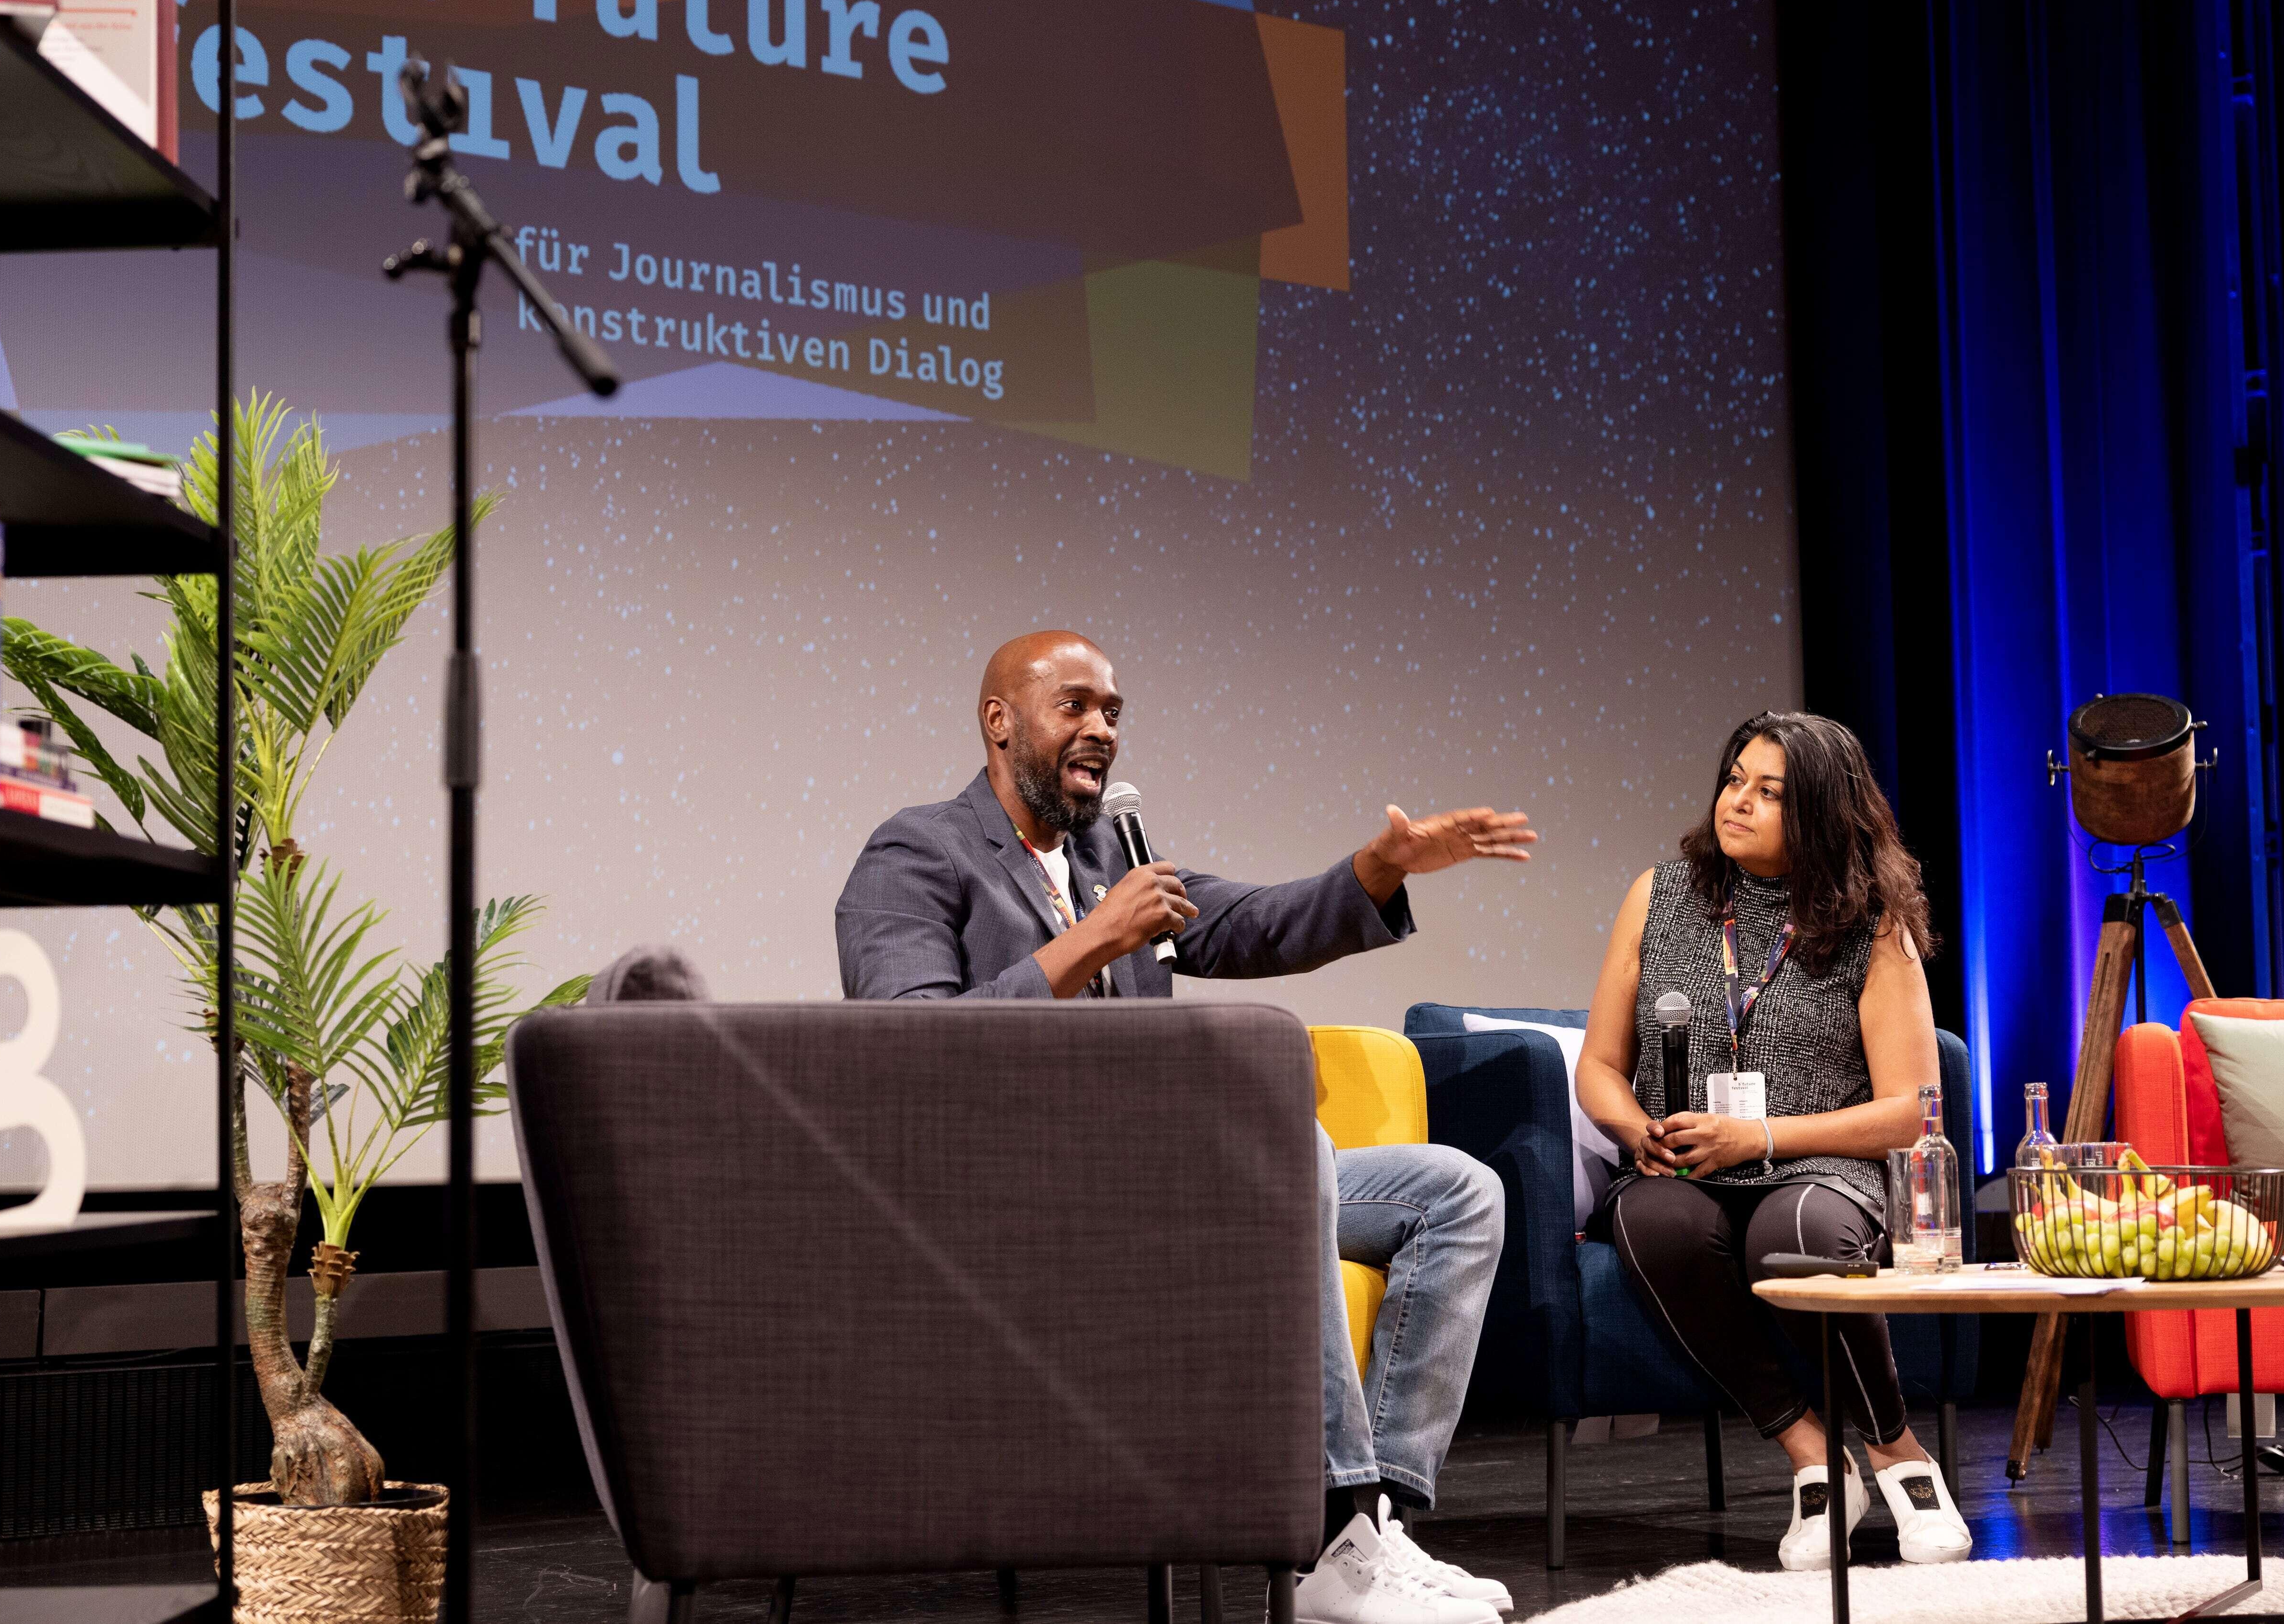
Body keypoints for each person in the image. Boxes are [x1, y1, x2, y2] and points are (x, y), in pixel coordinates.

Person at [837, 630, 1536, 1624]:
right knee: (1292, 1155)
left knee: (1456, 1191)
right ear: (999, 721)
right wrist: (1094, 940)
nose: (1101, 729)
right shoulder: (918, 851)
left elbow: (1255, 922)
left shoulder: (1106, 851)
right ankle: (1327, 1523)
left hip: (1156, 1183)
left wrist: (1379, 867)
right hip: (1011, 1198)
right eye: (1074, 705)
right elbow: (904, 1047)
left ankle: (1374, 1525)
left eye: (1113, 711)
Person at [1574, 711, 1973, 1570]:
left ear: (1824, 813)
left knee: (1792, 1236)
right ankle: (1810, 1456)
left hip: (1821, 1164)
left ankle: (1899, 1455)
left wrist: (1754, 1135)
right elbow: (1599, 1066)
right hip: (1682, 1163)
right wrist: (1634, 1126)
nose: (1739, 802)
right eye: (1733, 780)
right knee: (1651, 1223)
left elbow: (1911, 1108)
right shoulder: (1660, 894)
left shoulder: (1871, 920)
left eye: (1770, 792)